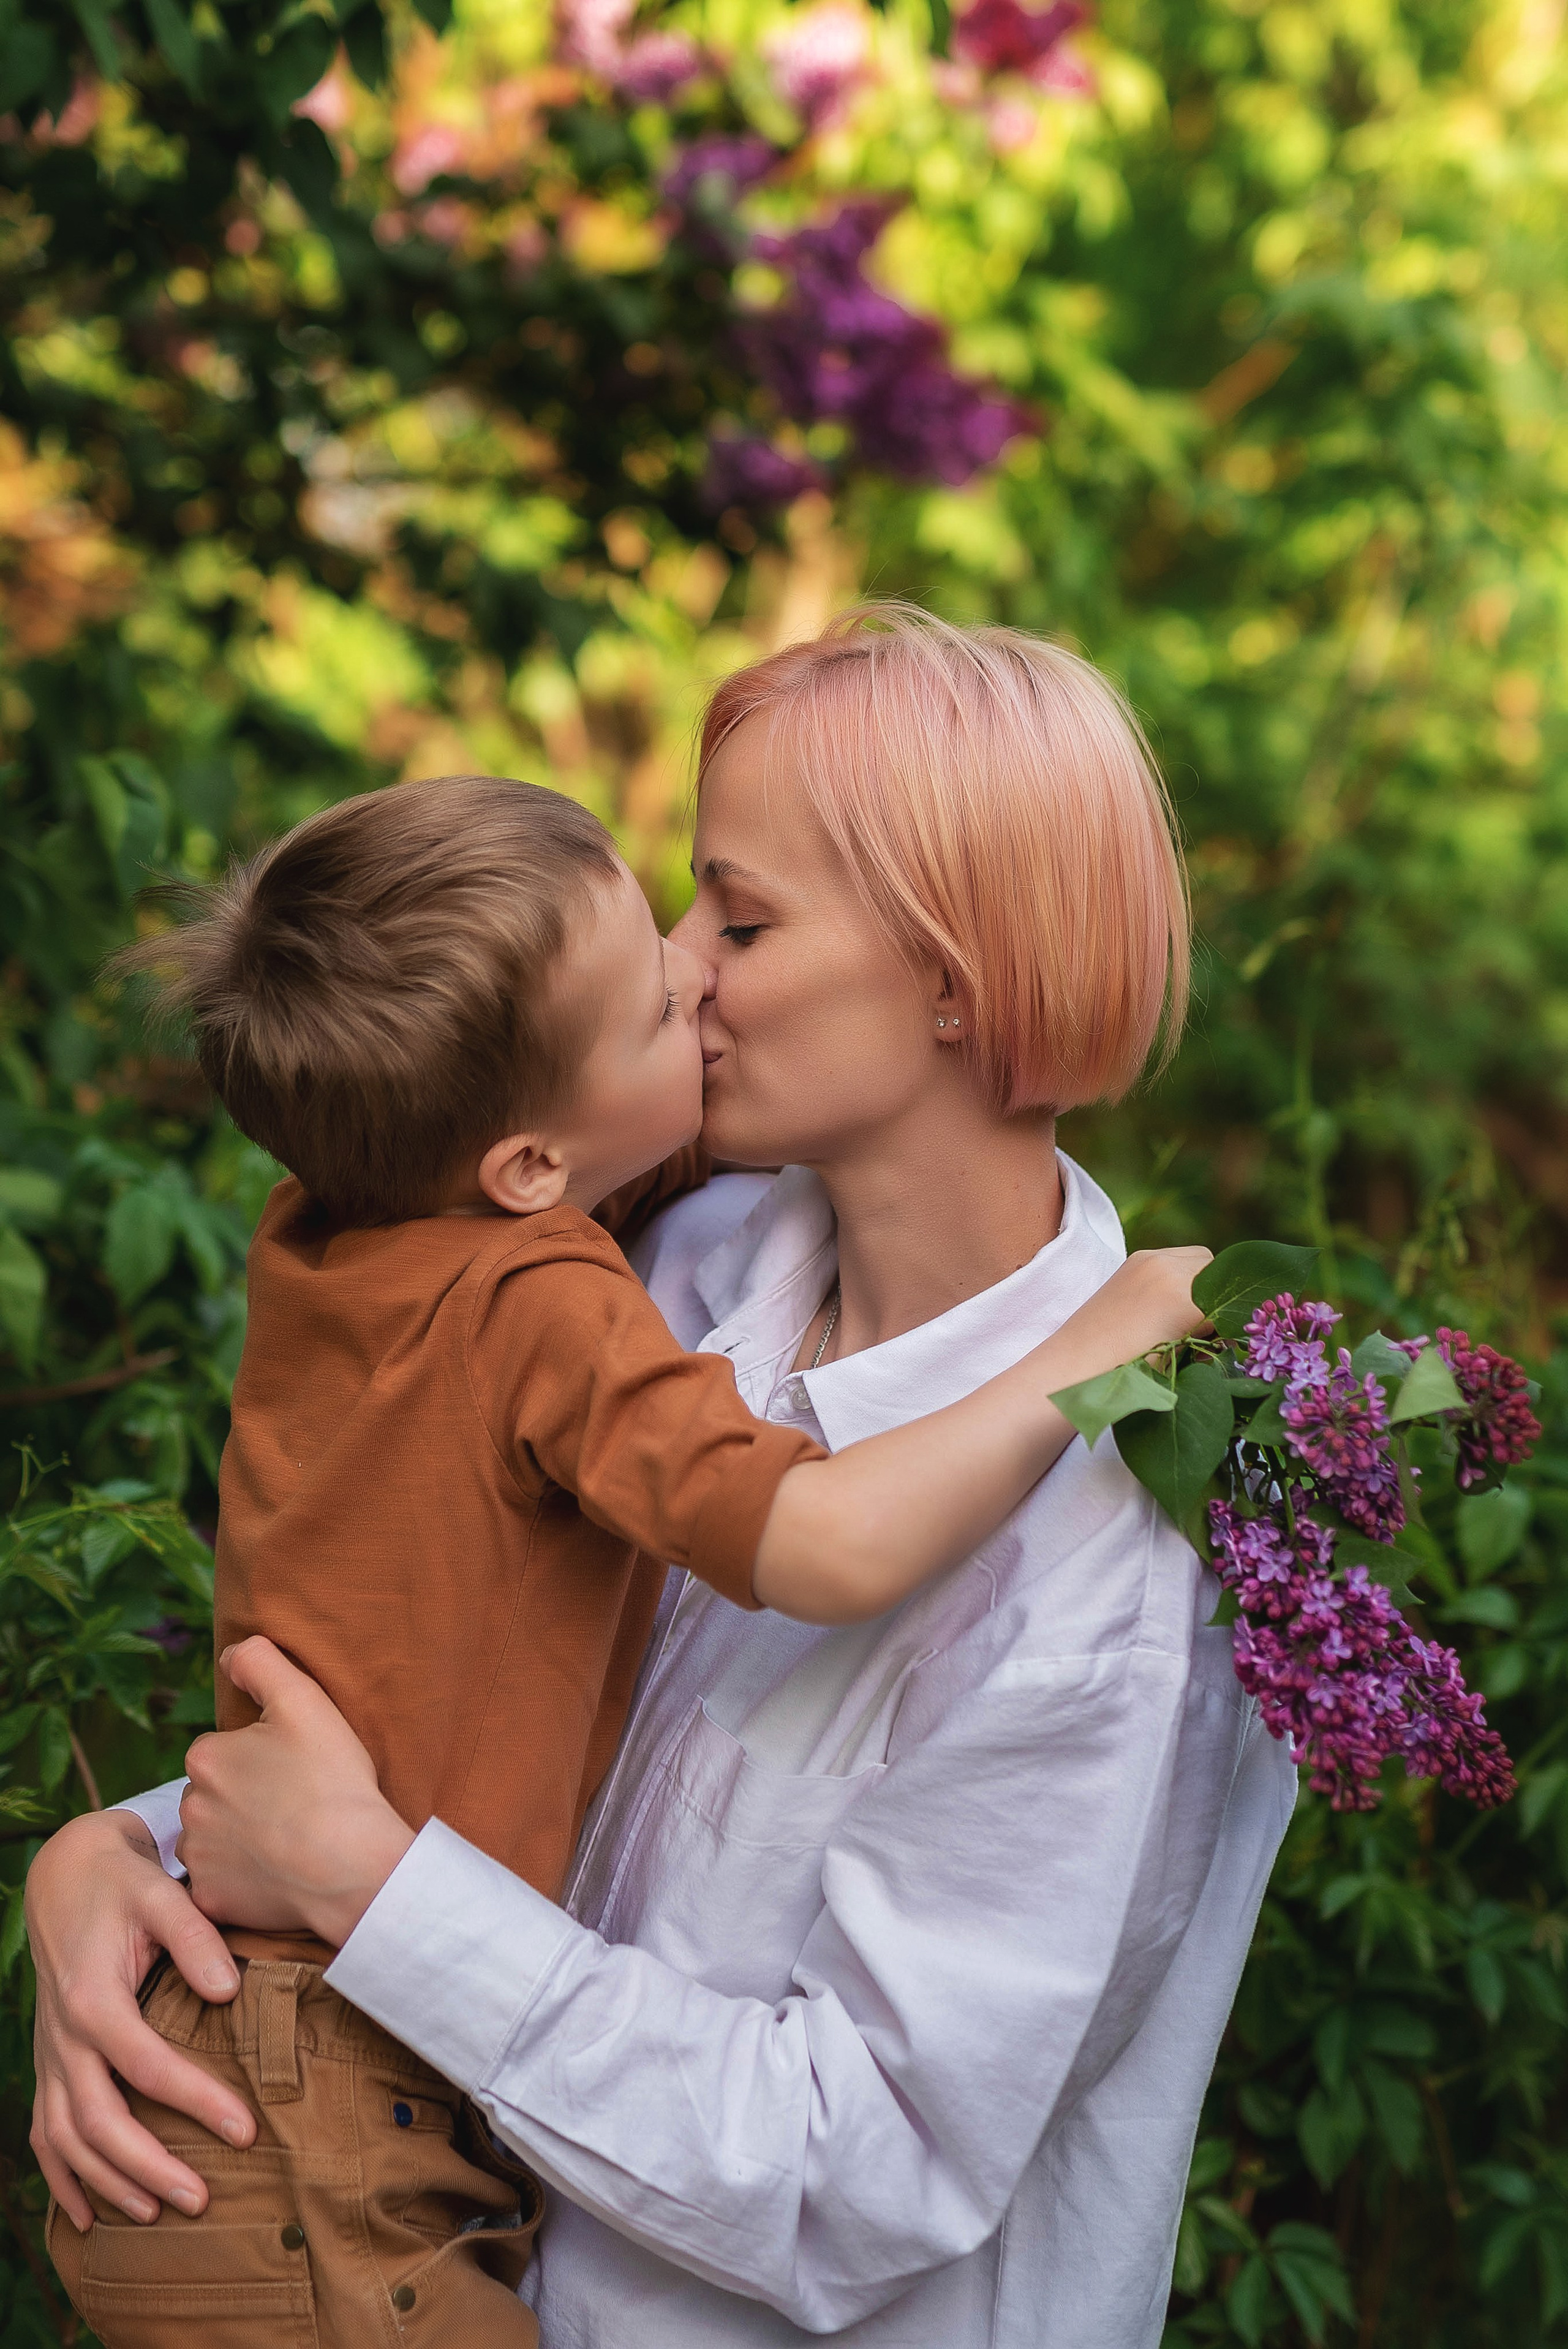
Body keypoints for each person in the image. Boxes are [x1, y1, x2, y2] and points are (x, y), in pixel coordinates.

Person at [28, 607, 1298, 2349]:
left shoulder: (1115, 1548)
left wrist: (377, 1901)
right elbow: (437, 1708)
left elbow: (861, 2174)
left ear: (955, 976)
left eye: (744, 917)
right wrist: (120, 1857)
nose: (683, 964)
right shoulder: (669, 1268)